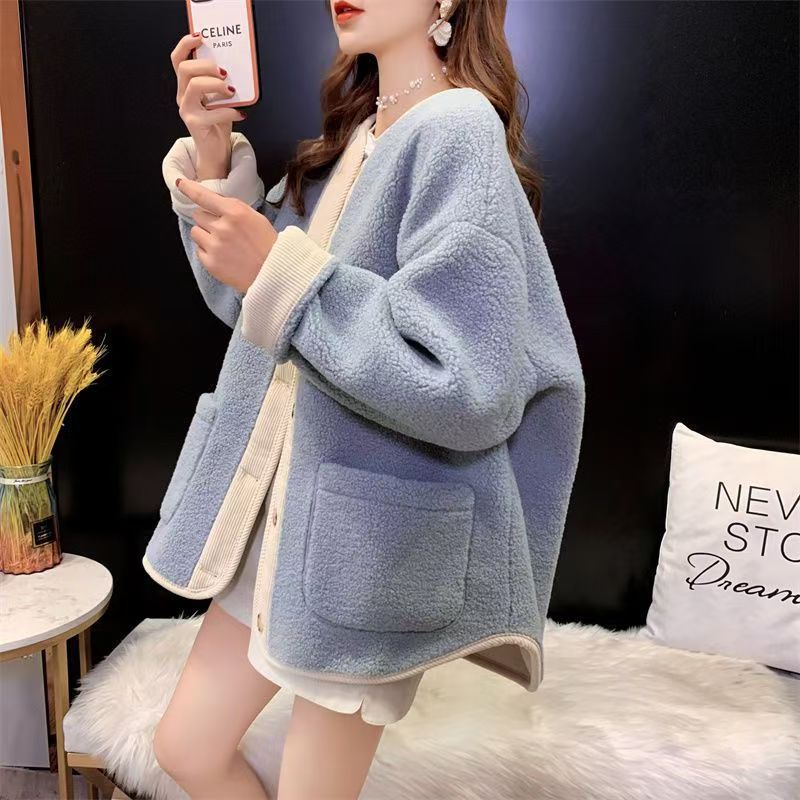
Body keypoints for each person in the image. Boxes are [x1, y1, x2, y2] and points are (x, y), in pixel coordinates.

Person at [147, 1, 586, 798]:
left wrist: (281, 273)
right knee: (185, 747)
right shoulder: (363, 132)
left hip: (365, 544)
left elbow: (466, 380)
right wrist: (212, 154)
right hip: (278, 518)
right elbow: (258, 306)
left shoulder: (456, 129)